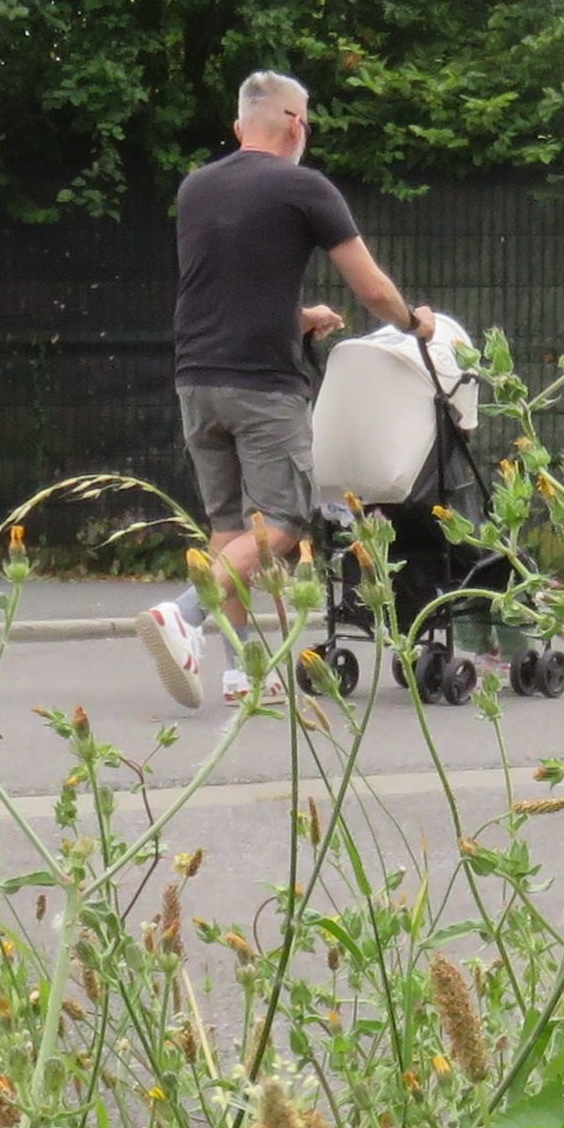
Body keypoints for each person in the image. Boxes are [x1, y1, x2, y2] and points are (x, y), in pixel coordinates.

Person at [141, 70, 414, 705]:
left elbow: (222, 292)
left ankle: (240, 675)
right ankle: (183, 612)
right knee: (285, 521)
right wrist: (413, 322)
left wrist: (301, 317)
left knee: (231, 525)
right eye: (306, 121)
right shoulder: (304, 188)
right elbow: (372, 289)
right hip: (262, 387)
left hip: (196, 379)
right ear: (295, 123)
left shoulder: (196, 189)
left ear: (241, 127)